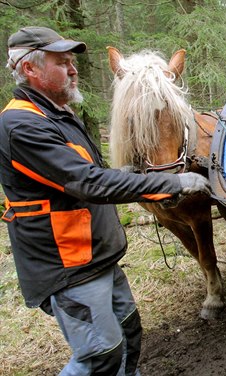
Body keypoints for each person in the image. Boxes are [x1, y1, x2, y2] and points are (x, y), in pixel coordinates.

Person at [0, 26, 210, 375]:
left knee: (128, 335)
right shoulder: (21, 125)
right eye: (61, 62)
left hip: (96, 254)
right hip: (69, 265)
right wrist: (171, 183)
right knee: (99, 355)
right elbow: (85, 182)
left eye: (72, 61)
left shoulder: (60, 115)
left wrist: (126, 173)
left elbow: (83, 173)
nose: (73, 69)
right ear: (29, 69)